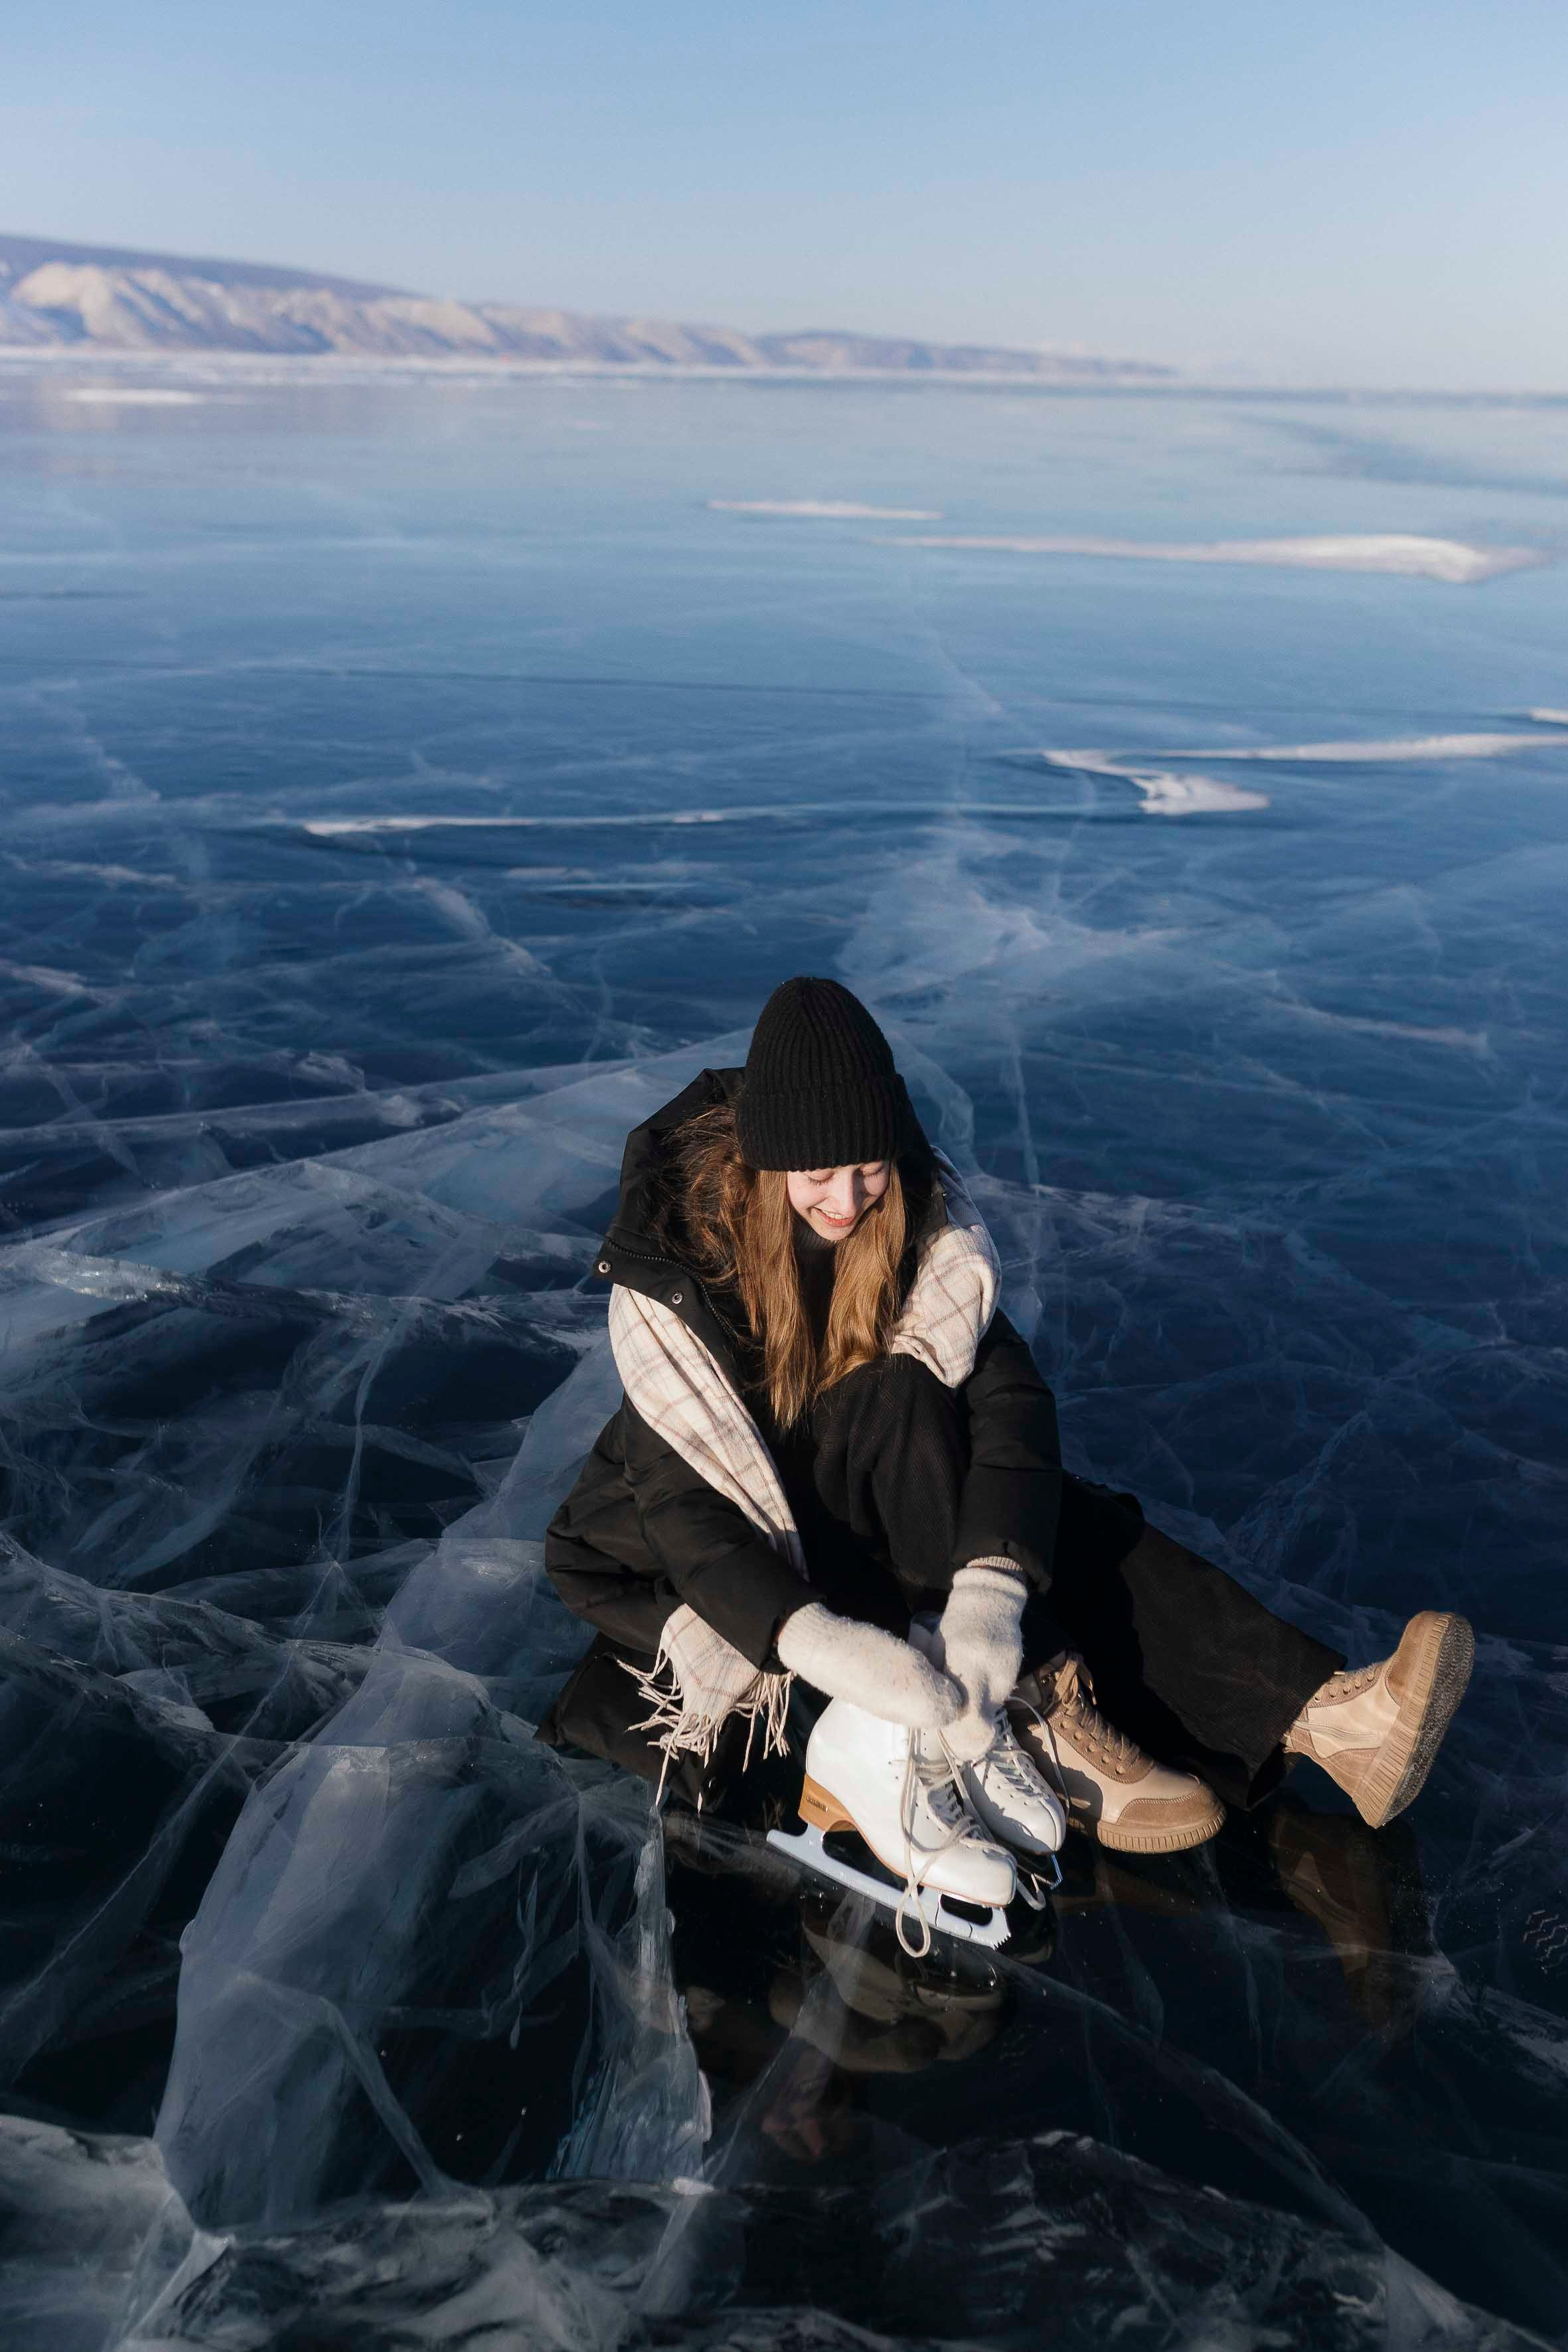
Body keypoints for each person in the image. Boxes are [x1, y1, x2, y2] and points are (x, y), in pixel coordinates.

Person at [540, 978, 1474, 1948]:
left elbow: (1009, 1402)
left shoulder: (909, 1229)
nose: (848, 1198)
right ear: (764, 1163)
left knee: (1022, 1496)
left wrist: (988, 1593)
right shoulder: (681, 1275)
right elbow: (687, 1512)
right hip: (681, 1542)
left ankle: (1327, 1721)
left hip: (861, 1489)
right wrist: (815, 1642)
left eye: (869, 1168)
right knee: (903, 1407)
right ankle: (1036, 1700)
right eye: (817, 1173)